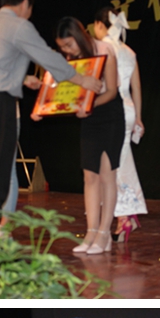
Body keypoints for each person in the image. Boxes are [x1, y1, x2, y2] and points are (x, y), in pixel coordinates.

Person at [0, 0, 103, 247]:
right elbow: (48, 58)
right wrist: (82, 80)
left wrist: (22, 78)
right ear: (25, 3)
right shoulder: (18, 25)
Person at [54, 16, 125, 255]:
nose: (67, 50)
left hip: (109, 114)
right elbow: (67, 92)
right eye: (62, 47)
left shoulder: (104, 50)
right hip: (89, 118)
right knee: (89, 176)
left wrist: (90, 106)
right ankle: (91, 232)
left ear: (79, 36)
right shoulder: (72, 61)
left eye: (69, 44)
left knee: (106, 174)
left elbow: (112, 91)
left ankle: (104, 233)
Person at [93, 7, 148, 242]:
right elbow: (136, 88)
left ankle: (124, 215)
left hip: (109, 109)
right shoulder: (129, 51)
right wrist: (138, 117)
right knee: (120, 161)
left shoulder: (101, 48)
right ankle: (126, 215)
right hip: (127, 109)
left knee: (111, 165)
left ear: (100, 24)